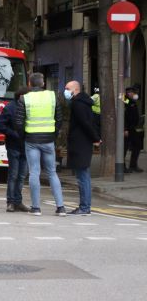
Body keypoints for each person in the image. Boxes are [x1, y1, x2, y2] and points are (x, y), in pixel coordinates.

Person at [15, 72, 66, 217]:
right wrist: (53, 134)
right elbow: (59, 119)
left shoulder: (25, 98)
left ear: (30, 84)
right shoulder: (52, 96)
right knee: (52, 172)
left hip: (31, 140)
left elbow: (19, 122)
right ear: (43, 83)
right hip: (48, 139)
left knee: (34, 172)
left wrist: (24, 136)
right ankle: (61, 207)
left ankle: (36, 208)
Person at [64, 81, 101, 215]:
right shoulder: (84, 102)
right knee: (83, 176)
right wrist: (95, 137)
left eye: (68, 89)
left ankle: (85, 207)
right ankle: (85, 206)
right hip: (83, 143)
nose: (65, 91)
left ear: (76, 89)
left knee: (82, 177)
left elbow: (85, 123)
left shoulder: (78, 104)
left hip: (80, 144)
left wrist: (96, 138)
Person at [0, 87, 30, 213]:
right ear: (21, 96)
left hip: (25, 146)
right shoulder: (10, 107)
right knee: (13, 175)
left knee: (21, 176)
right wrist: (12, 133)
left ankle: (18, 201)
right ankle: (11, 202)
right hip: (14, 146)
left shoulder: (29, 107)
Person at [124, 86, 144, 173]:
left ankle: (133, 165)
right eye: (128, 92)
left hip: (133, 128)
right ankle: (122, 166)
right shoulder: (126, 101)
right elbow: (123, 116)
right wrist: (125, 129)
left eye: (132, 92)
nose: (130, 93)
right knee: (124, 148)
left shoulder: (133, 102)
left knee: (138, 145)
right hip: (127, 129)